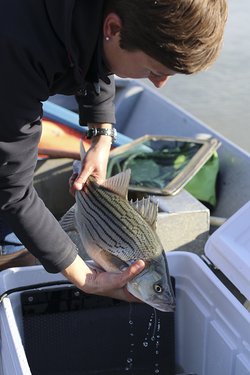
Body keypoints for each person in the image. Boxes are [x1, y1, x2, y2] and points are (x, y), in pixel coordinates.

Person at [0, 0, 228, 300]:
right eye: (153, 69)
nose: (160, 83)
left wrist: (102, 135)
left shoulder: (101, 18)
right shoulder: (19, 50)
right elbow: (11, 190)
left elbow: (95, 51)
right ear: (113, 28)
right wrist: (85, 277)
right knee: (16, 245)